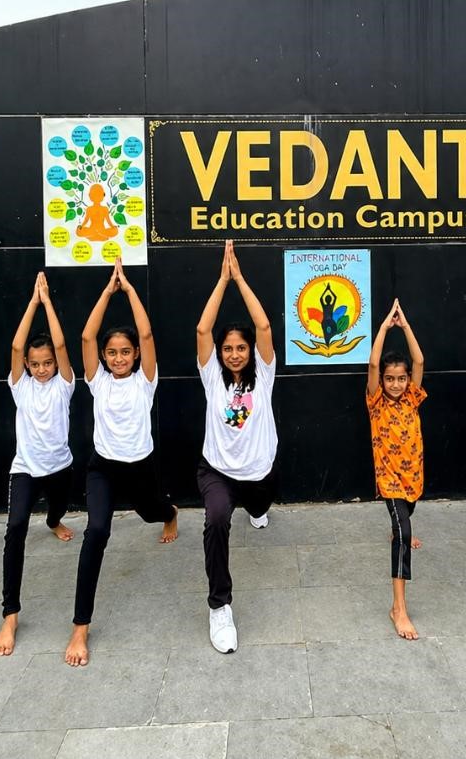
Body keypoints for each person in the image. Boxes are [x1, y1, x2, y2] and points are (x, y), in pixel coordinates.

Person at [64, 259, 178, 667]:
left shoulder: (146, 379)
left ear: (134, 356)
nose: (117, 358)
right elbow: (86, 335)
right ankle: (80, 628)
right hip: (104, 468)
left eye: (124, 352)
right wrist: (106, 292)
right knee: (96, 531)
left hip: (141, 466)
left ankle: (170, 513)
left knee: (152, 513)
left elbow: (146, 333)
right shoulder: (97, 380)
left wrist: (128, 290)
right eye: (112, 353)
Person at [196, 240, 278, 654]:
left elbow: (263, 327)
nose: (232, 354)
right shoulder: (212, 376)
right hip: (218, 471)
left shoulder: (263, 375)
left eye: (239, 348)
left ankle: (260, 512)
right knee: (217, 521)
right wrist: (221, 280)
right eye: (227, 349)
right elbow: (202, 330)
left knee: (259, 507)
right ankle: (219, 605)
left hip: (258, 473)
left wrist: (240, 279)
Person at [0, 272, 76, 657]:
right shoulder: (20, 385)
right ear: (26, 364)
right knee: (15, 529)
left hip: (60, 466)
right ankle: (10, 614)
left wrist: (49, 304)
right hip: (25, 468)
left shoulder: (64, 384)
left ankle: (55, 520)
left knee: (58, 510)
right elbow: (13, 345)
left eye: (48, 363)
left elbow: (60, 343)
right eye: (36, 363)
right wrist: (33, 302)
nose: (43, 368)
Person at [367, 298, 426, 640]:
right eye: (391, 379)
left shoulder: (412, 397)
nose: (395, 384)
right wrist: (384, 328)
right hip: (389, 478)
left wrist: (405, 327)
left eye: (400, 379)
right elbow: (374, 363)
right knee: (403, 533)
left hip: (414, 476)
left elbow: (418, 359)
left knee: (407, 516)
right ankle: (399, 608)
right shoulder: (375, 403)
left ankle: (399, 527)